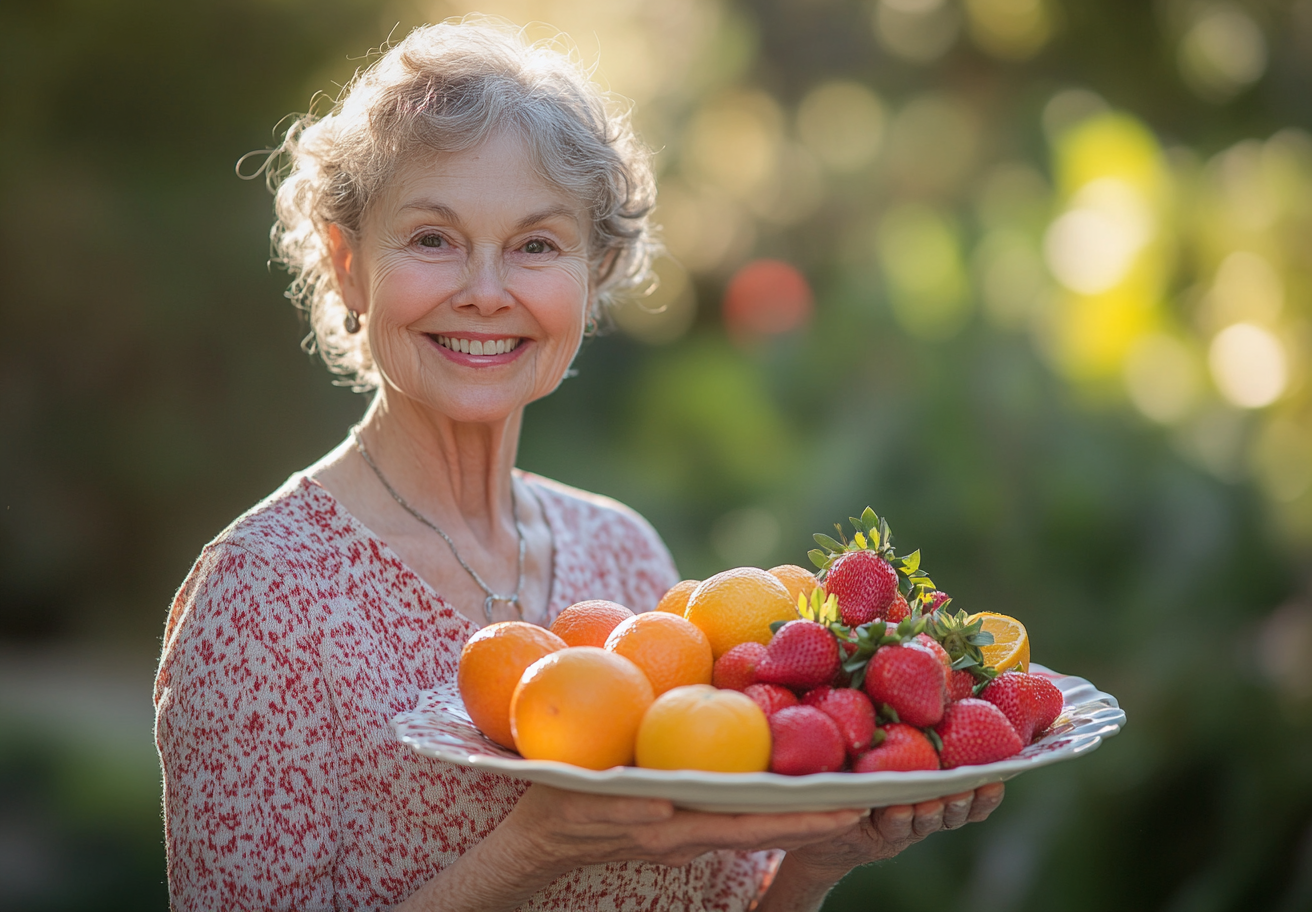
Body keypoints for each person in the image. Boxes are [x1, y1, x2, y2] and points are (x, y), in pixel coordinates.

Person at [154, 19, 1004, 912]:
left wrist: (821, 859)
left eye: (536, 245)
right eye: (434, 239)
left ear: (592, 275)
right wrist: (536, 845)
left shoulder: (626, 558)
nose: (487, 290)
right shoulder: (262, 596)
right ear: (349, 264)